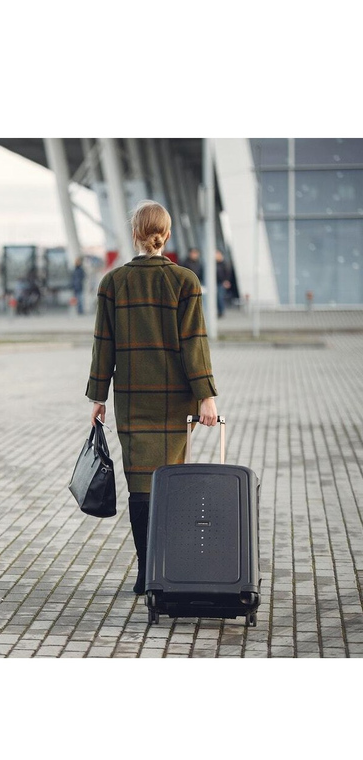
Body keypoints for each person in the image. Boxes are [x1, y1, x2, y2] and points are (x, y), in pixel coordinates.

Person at [86, 200, 218, 596]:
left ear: (135, 234)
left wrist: (98, 396)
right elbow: (195, 344)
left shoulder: (113, 282)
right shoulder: (185, 280)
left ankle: (146, 572)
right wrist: (206, 397)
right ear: (167, 234)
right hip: (176, 400)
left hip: (132, 399)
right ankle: (166, 570)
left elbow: (102, 345)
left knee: (140, 486)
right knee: (170, 482)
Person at [215, 250, 232, 318]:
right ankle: (218, 311)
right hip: (215, 283)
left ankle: (221, 311)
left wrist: (226, 281)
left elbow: (228, 273)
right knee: (216, 297)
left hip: (221, 283)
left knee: (220, 297)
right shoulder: (213, 264)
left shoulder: (225, 264)